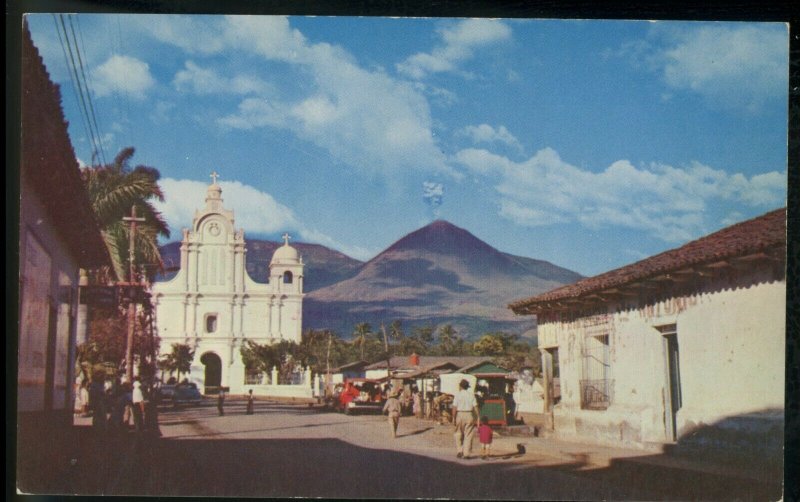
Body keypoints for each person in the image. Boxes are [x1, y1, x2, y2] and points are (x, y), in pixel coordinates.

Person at [452, 379, 479, 459]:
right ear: (467, 387)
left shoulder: (457, 395)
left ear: (460, 386)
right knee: (468, 434)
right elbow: (475, 407)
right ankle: (466, 453)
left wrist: (453, 417)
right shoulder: (471, 395)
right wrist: (478, 417)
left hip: (459, 414)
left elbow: (454, 407)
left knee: (458, 433)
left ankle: (459, 450)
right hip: (469, 414)